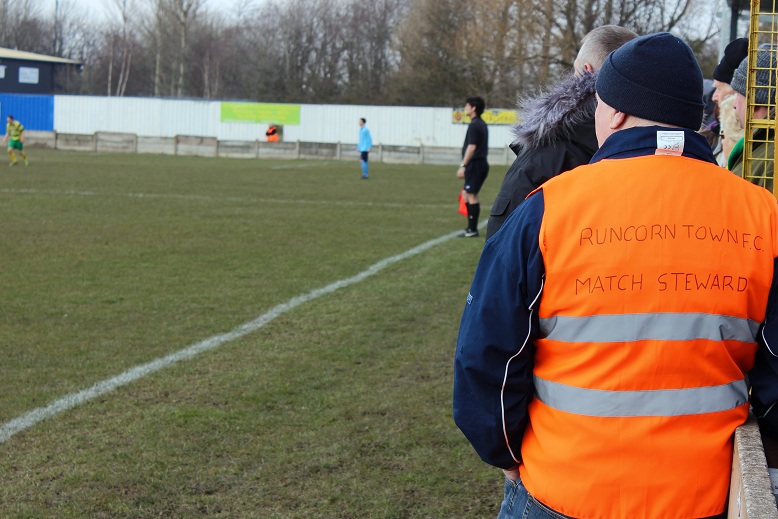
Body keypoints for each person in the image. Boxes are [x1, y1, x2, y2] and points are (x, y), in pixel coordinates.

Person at [453, 32, 778, 519]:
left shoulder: (549, 208)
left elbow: (486, 354)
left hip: (563, 487)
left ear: (617, 113)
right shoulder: (763, 215)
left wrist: (502, 452)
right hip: (700, 494)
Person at [485, 25, 637, 240]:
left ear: (586, 71)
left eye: (574, 70)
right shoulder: (655, 148)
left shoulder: (548, 150)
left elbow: (504, 247)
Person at [729, 45, 776, 192]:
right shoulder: (761, 147)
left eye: (738, 94)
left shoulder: (770, 158)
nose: (734, 105)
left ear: (754, 101)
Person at [708, 37, 748, 166]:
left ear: (738, 94)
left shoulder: (739, 139)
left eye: (720, 89)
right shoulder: (714, 129)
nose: (714, 97)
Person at [457, 96, 489, 237]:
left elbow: (472, 147)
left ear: (473, 108)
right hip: (478, 164)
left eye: (467, 106)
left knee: (471, 195)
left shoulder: (475, 125)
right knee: (466, 194)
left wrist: (463, 165)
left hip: (475, 164)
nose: (465, 108)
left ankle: (472, 230)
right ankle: (470, 228)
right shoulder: (481, 124)